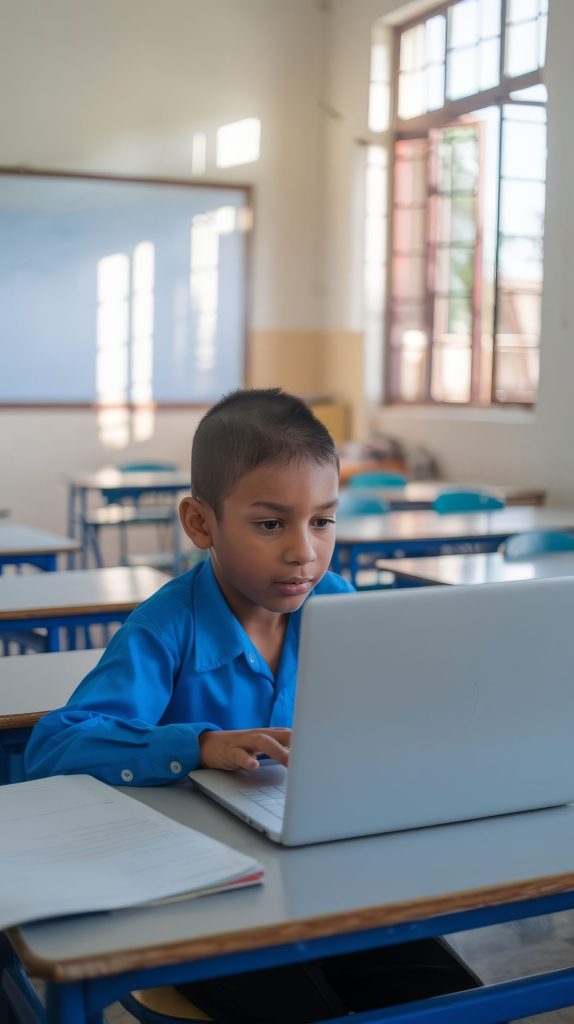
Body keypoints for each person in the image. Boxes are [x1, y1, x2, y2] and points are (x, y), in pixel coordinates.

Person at [24, 388, 480, 1022]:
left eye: (322, 520)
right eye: (271, 524)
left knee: (452, 1002)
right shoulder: (165, 629)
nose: (304, 551)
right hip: (202, 898)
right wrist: (200, 745)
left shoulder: (342, 607)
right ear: (200, 523)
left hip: (326, 876)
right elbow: (54, 746)